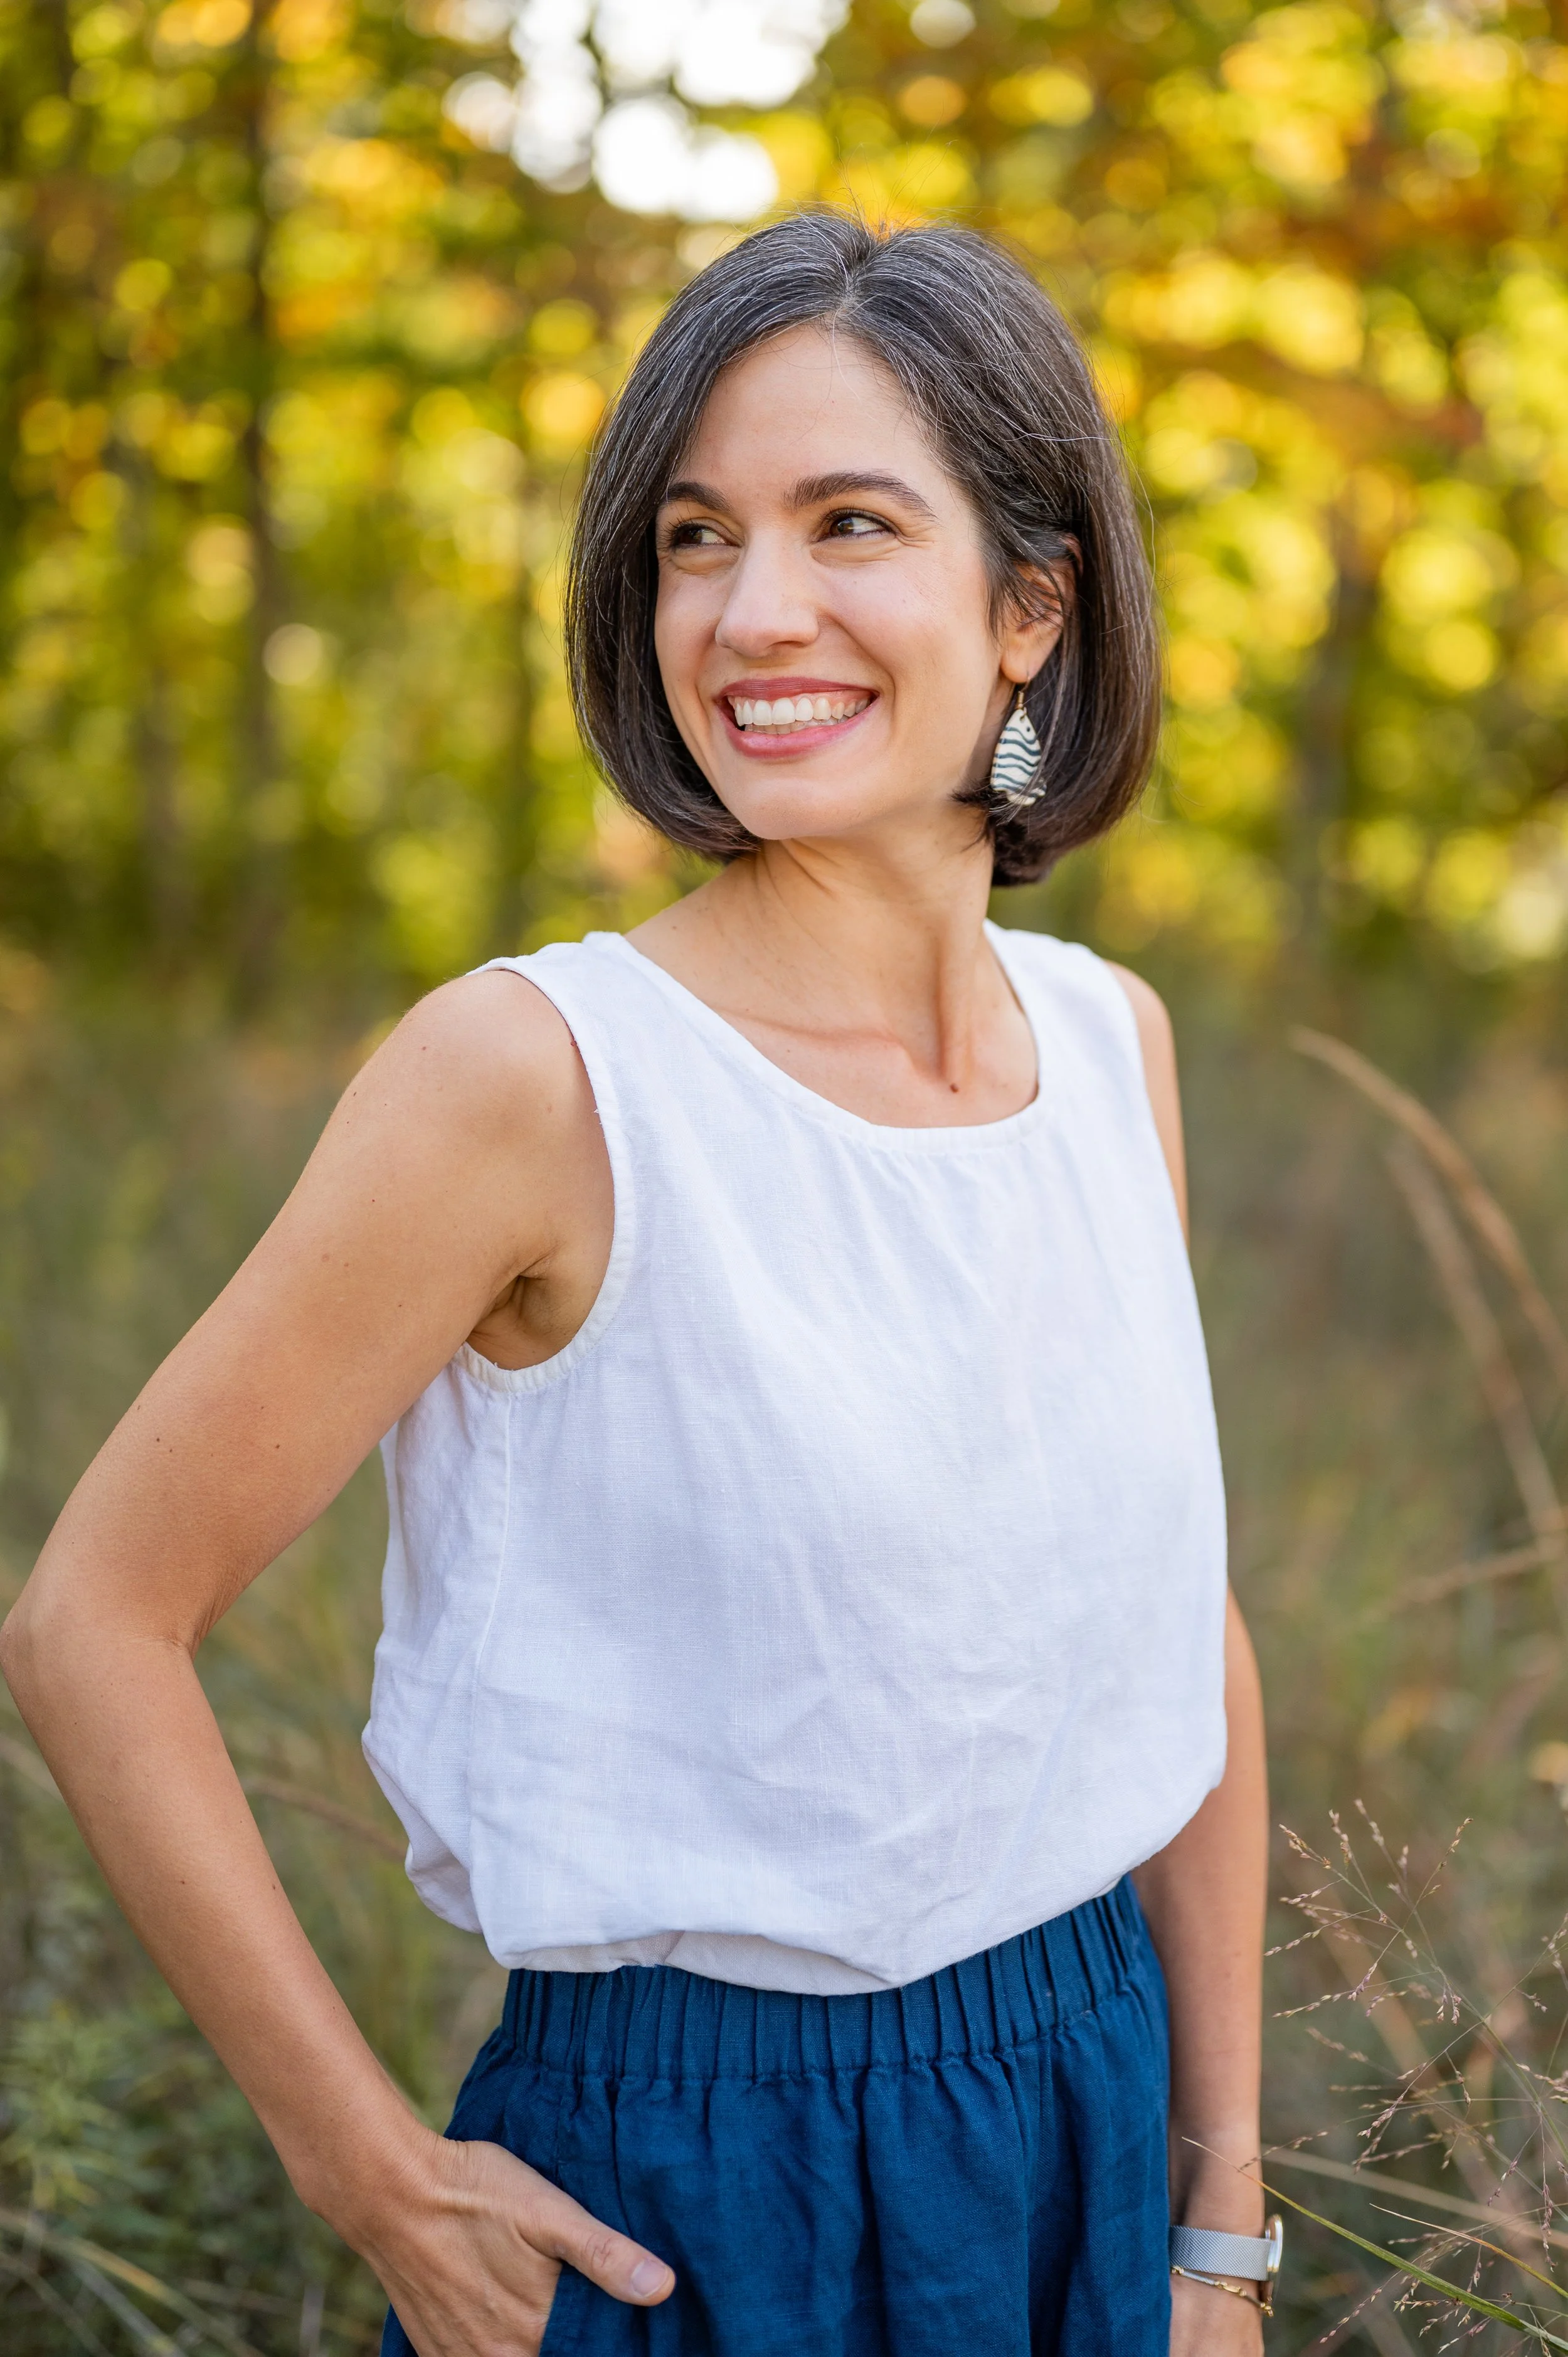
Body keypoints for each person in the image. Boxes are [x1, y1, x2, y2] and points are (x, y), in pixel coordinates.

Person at [1, 211, 1271, 2356]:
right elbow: (93, 1621)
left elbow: (1183, 1637)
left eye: (847, 522)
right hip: (694, 2182)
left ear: (1031, 603)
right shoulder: (535, 1076)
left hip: (1091, 2098)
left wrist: (1221, 2218)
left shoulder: (1108, 1043)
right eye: (695, 538)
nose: (753, 611)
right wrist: (367, 2167)